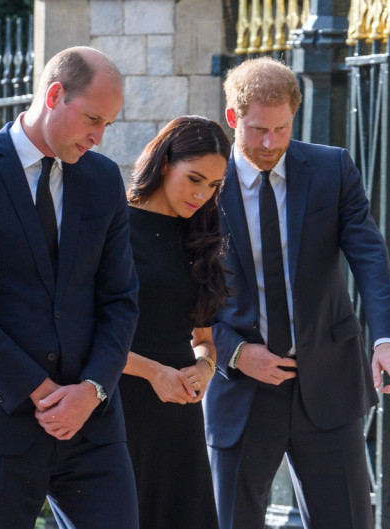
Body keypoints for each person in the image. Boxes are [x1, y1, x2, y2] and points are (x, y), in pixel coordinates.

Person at [204, 56, 390, 529]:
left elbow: (371, 259)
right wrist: (234, 352)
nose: (271, 143)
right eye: (258, 130)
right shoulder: (202, 184)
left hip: (329, 383)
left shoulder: (330, 168)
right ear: (233, 118)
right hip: (242, 388)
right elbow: (176, 290)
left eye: (282, 129)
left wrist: (387, 340)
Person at [0, 46, 140, 528]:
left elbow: (120, 299)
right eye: (93, 118)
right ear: (54, 94)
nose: (98, 137)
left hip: (93, 426)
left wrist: (92, 389)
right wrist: (37, 389)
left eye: (107, 126)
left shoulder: (104, 180)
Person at [121, 115, 230, 529]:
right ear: (165, 162)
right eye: (195, 179)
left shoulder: (199, 235)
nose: (203, 194)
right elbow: (85, 334)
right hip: (120, 399)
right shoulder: (115, 227)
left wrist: (204, 368)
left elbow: (203, 337)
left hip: (179, 413)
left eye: (214, 186)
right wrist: (154, 373)